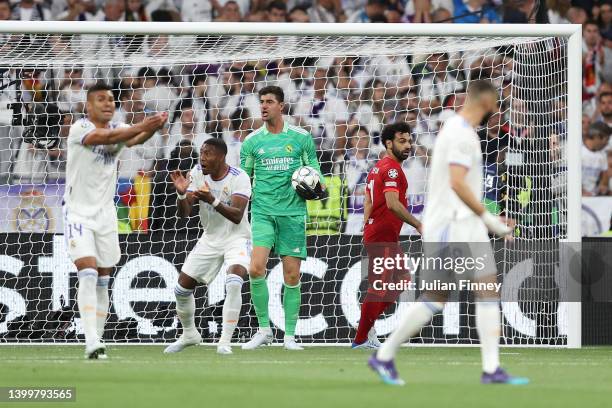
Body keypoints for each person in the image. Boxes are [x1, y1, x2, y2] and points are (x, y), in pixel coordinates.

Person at [368, 80, 528, 385]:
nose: (495, 112)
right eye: (495, 105)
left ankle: (489, 368)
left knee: (465, 292)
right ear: (486, 102)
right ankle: (386, 354)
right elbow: (457, 181)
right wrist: (490, 220)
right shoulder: (460, 134)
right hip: (453, 224)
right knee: (453, 294)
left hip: (459, 222)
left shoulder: (458, 130)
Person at [63, 82, 167, 359]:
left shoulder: (118, 127)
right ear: (88, 105)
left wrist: (153, 128)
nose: (108, 103)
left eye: (110, 99)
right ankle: (91, 341)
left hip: (106, 215)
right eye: (101, 99)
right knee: (86, 271)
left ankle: (98, 341)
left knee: (103, 280)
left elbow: (133, 140)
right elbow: (107, 139)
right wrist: (144, 123)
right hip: (78, 213)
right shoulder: (80, 129)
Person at [240, 86, 327, 350]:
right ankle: (264, 330)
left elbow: (317, 173)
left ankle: (289, 336)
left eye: (269, 102)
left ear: (281, 105)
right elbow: (243, 180)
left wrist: (317, 186)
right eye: (261, 102)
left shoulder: (301, 138)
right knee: (255, 268)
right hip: (263, 213)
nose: (264, 106)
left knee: (291, 276)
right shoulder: (252, 142)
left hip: (292, 214)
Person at [164, 138, 252, 355]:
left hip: (237, 237)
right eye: (201, 153)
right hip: (211, 237)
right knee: (181, 288)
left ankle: (224, 341)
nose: (202, 158)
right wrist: (182, 194)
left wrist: (212, 200)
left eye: (208, 153)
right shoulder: (197, 173)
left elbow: (237, 216)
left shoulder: (239, 178)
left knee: (234, 281)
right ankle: (189, 334)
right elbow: (184, 214)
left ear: (221, 157)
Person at [352, 123, 422, 349]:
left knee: (402, 280)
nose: (408, 145)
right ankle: (361, 338)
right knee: (379, 287)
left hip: (382, 232)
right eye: (402, 141)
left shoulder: (378, 167)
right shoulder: (391, 169)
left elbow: (368, 199)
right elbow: (392, 204)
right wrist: (419, 224)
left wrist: (366, 222)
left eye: (409, 141)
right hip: (382, 233)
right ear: (389, 143)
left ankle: (365, 322)